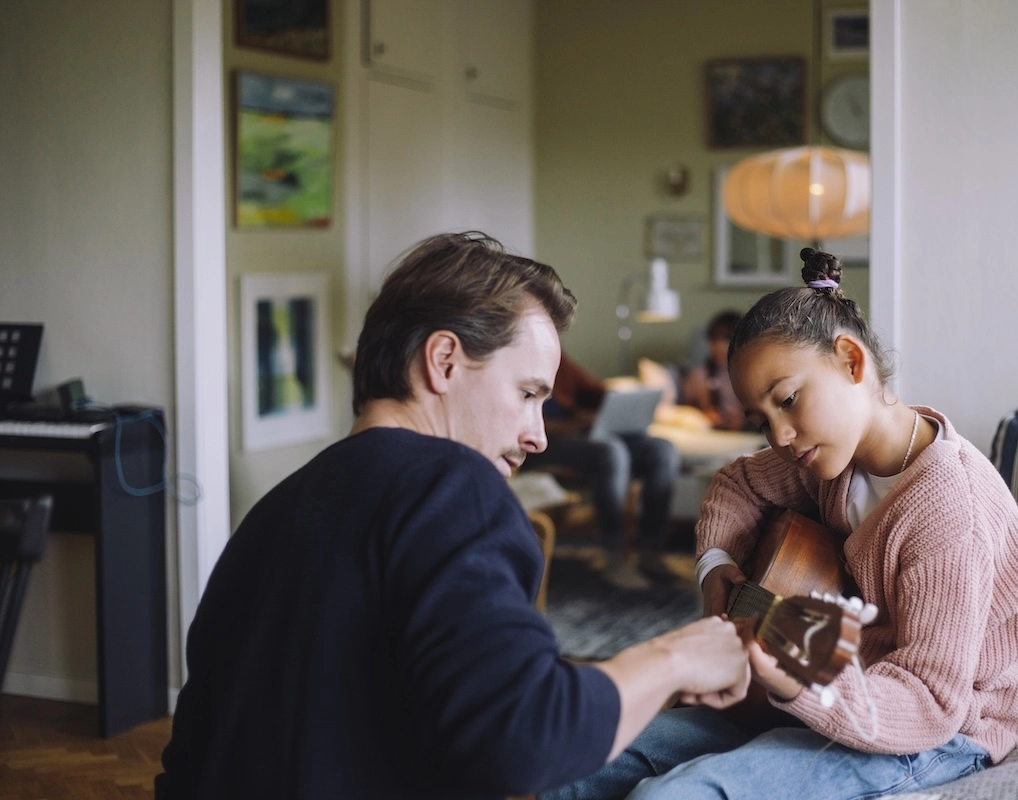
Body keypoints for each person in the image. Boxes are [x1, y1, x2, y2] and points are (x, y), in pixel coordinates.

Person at [154, 232, 751, 800]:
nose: (537, 436)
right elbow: (528, 736)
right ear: (442, 361)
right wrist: (678, 657)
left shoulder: (274, 511)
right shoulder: (452, 485)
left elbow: (189, 759)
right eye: (526, 394)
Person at [543, 248, 1018, 800]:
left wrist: (797, 680)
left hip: (940, 731)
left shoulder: (950, 513)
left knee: (671, 796)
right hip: (833, 688)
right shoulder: (831, 459)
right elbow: (735, 484)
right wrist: (716, 566)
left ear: (852, 363)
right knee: (579, 761)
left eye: (788, 400)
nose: (779, 436)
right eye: (762, 420)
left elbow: (930, 700)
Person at [522, 352, 681, 591]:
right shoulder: (515, 359)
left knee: (662, 449)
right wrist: (576, 424)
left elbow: (593, 389)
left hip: (583, 435)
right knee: (611, 451)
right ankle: (613, 556)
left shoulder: (556, 358)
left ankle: (651, 551)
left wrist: (615, 405)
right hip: (544, 442)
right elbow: (522, 417)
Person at [680, 309, 747, 431]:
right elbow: (685, 411)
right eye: (714, 339)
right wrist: (704, 414)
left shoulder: (749, 376)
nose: (718, 346)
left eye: (726, 339)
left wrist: (744, 422)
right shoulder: (699, 375)